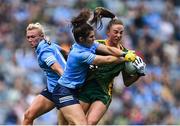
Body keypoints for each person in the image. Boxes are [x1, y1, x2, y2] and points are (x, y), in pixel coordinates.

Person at [55, 9, 137, 125]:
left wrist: (126, 55)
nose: (94, 38)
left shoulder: (91, 44)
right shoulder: (81, 54)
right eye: (91, 37)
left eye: (121, 32)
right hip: (68, 90)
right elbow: (106, 59)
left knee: (82, 123)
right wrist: (125, 57)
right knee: (75, 123)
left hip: (92, 91)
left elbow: (108, 50)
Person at [78, 7, 146, 125]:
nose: (118, 35)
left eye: (121, 32)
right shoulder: (96, 45)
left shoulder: (127, 55)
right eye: (115, 32)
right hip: (86, 88)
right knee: (76, 122)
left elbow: (126, 82)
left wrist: (139, 74)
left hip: (104, 93)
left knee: (90, 123)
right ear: (108, 32)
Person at [22, 22, 67, 125]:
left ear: (42, 36)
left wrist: (69, 87)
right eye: (28, 37)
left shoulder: (44, 52)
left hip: (62, 90)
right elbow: (65, 52)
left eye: (33, 37)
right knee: (28, 115)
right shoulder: (48, 44)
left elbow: (58, 69)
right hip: (52, 90)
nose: (30, 40)